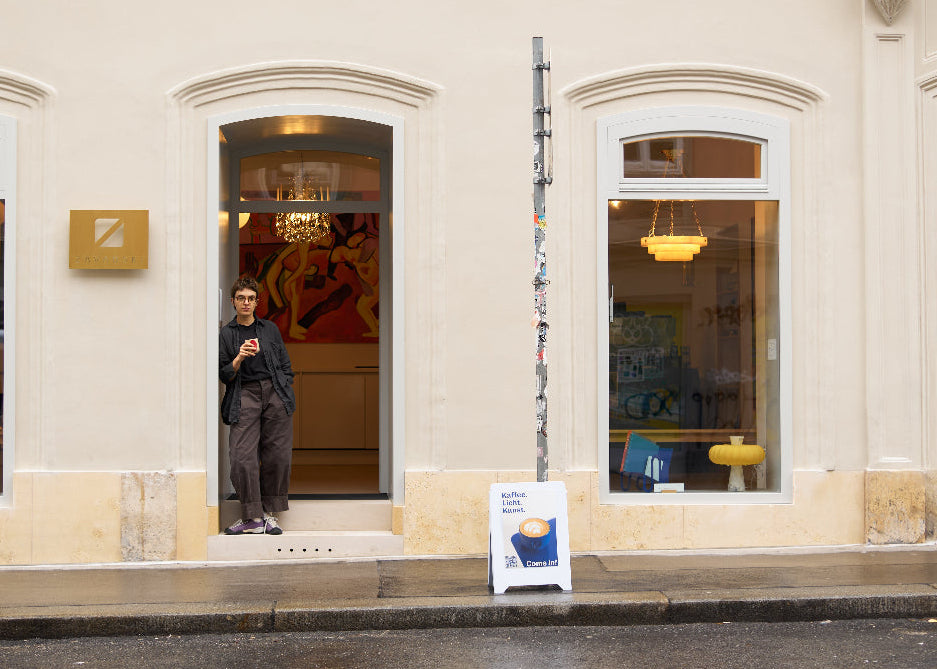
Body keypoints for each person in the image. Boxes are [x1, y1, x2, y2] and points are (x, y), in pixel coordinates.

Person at [219, 276, 296, 535]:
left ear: (256, 302)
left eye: (250, 298)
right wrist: (239, 357)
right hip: (245, 393)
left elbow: (285, 364)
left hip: (275, 392)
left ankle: (270, 514)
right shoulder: (227, 334)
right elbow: (224, 374)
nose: (246, 302)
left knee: (277, 455)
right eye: (241, 298)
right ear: (233, 301)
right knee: (242, 457)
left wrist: (284, 386)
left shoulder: (269, 329)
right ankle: (252, 517)